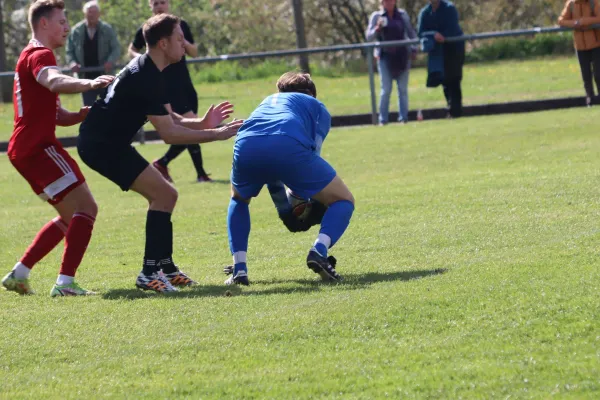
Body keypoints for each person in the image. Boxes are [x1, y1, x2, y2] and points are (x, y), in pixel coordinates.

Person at [77, 13, 242, 293]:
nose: (183, 44)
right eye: (179, 39)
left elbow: (170, 118)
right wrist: (215, 134)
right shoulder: (146, 76)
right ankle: (148, 272)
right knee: (163, 195)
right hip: (101, 146)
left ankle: (164, 266)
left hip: (107, 143)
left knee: (167, 195)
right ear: (163, 43)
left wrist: (202, 122)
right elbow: (168, 134)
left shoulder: (151, 69)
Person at [1, 0, 114, 297]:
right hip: (38, 148)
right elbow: (52, 80)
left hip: (24, 150)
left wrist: (77, 116)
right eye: (62, 21)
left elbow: (54, 113)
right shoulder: (40, 54)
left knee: (70, 217)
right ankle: (65, 283)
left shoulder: (31, 55)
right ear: (44, 24)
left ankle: (19, 273)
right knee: (87, 208)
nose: (67, 27)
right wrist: (88, 83)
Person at [225, 72, 355, 286]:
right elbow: (308, 160)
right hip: (287, 143)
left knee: (238, 199)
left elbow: (272, 173)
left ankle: (239, 268)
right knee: (343, 200)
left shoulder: (267, 102)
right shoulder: (316, 106)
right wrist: (300, 200)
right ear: (312, 94)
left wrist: (285, 211)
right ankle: (319, 251)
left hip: (245, 142)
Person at [128, 0, 211, 182]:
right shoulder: (149, 29)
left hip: (184, 84)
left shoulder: (180, 26)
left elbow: (195, 52)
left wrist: (180, 40)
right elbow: (131, 50)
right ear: (150, 6)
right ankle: (199, 173)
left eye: (163, 2)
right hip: (166, 86)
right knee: (188, 126)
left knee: (187, 126)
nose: (159, 6)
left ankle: (164, 164)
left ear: (169, 4)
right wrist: (145, 58)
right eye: (155, 3)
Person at [366, 0, 418, 125]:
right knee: (386, 89)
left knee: (402, 89)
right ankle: (383, 120)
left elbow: (411, 33)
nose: (389, 2)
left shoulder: (402, 15)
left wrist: (414, 48)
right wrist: (377, 29)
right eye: (386, 0)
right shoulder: (376, 16)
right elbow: (368, 37)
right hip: (385, 57)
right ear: (382, 2)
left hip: (402, 56)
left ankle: (403, 118)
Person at [66, 0, 120, 106]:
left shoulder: (107, 29)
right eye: (89, 12)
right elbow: (69, 51)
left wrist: (110, 61)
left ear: (99, 14)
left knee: (109, 107)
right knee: (88, 110)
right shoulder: (76, 31)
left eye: (94, 12)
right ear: (84, 14)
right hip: (85, 78)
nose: (92, 15)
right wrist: (72, 63)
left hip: (105, 76)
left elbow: (116, 48)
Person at [417, 0, 465, 118]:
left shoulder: (449, 8)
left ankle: (455, 111)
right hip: (439, 52)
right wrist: (433, 35)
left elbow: (452, 28)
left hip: (454, 49)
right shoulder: (425, 12)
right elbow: (420, 32)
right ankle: (451, 109)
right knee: (444, 81)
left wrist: (443, 36)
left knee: (454, 80)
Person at [558, 0, 600, 106]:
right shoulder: (571, 4)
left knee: (598, 73)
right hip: (580, 46)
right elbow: (561, 21)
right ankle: (590, 98)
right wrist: (575, 23)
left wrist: (585, 21)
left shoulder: (594, 3)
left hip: (597, 45)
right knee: (586, 75)